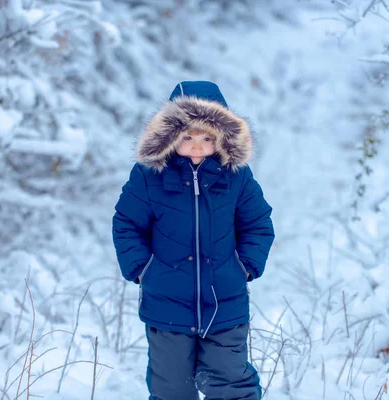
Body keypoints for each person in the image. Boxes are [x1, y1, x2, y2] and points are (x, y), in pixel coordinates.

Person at [112, 80, 275, 400]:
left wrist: (244, 266)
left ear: (222, 138)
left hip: (224, 304)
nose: (197, 146)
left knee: (230, 383)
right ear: (170, 137)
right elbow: (127, 224)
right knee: (171, 388)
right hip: (166, 305)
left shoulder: (236, 176)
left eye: (207, 138)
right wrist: (143, 269)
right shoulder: (149, 176)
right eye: (187, 137)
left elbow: (257, 222)